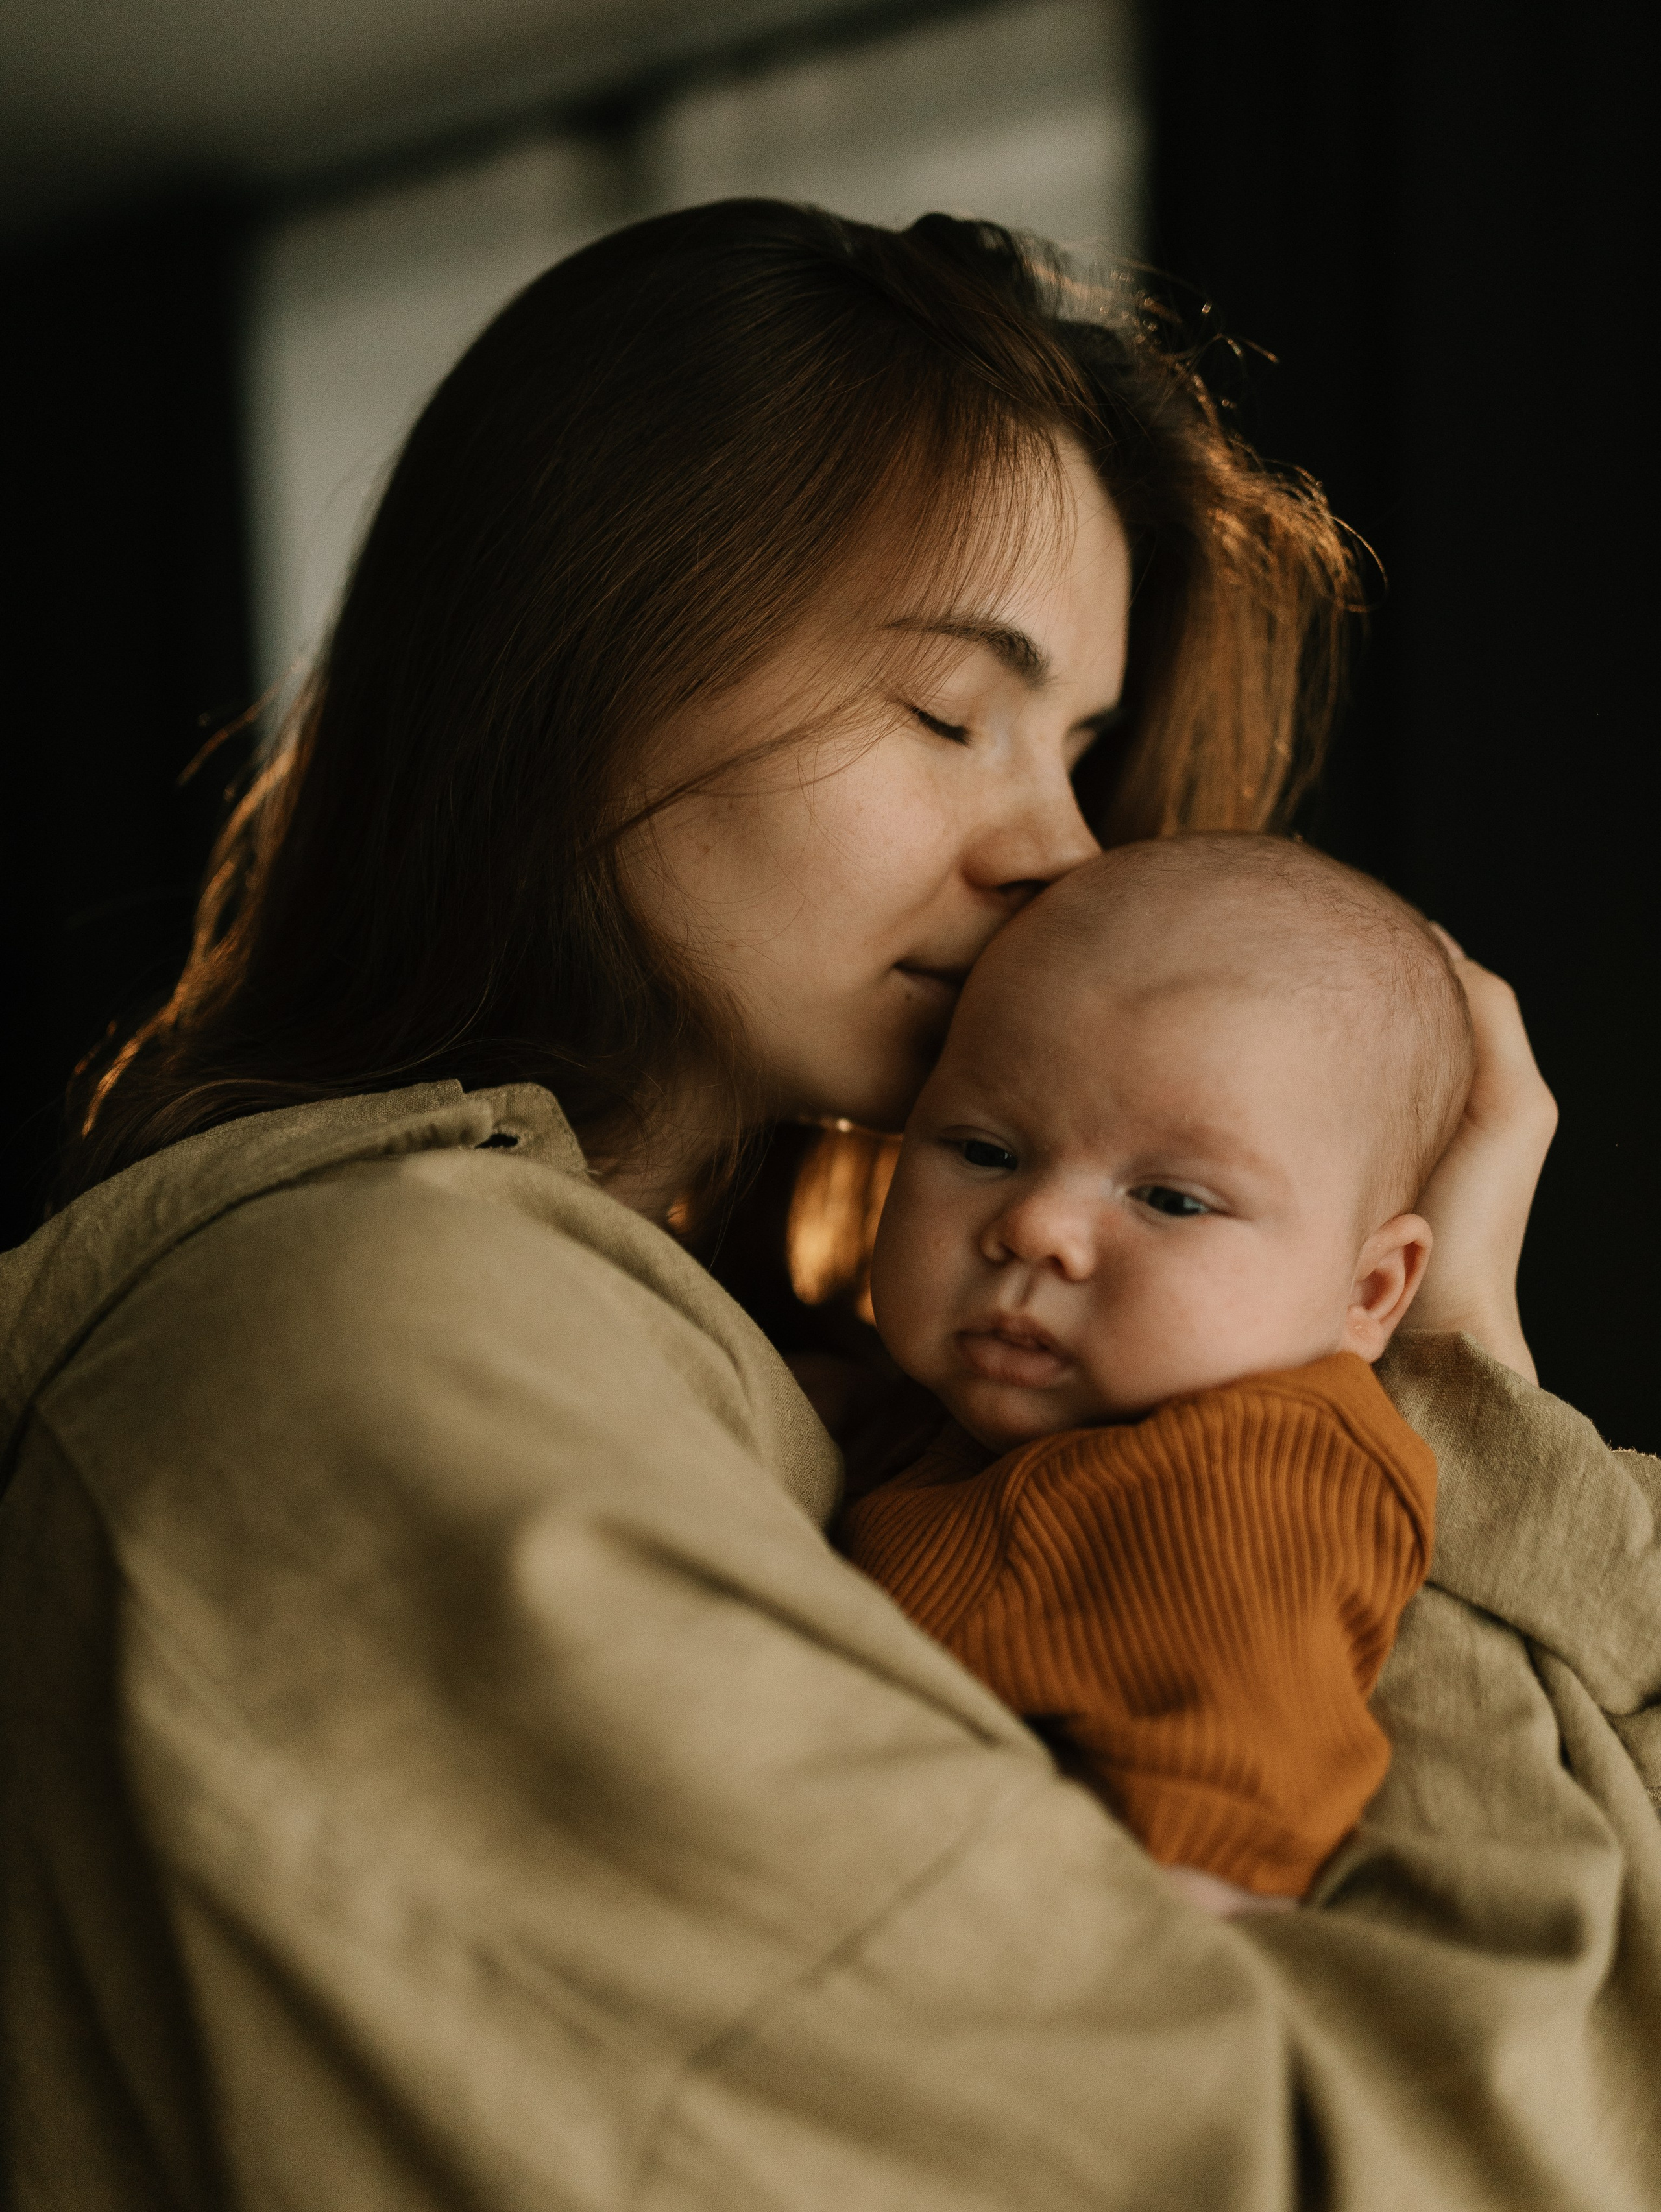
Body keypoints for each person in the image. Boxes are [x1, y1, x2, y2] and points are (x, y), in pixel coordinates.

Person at [1, 201, 1656, 2210]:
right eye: (953, 713)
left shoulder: (804, 1396)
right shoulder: (389, 1337)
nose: (1052, 851)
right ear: (575, 651)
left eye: (1083, 748)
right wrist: (1429, 1400)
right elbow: (1387, 2161)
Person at [843, 834, 1473, 1916]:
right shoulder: (989, 1413)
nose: (1036, 1228)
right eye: (984, 1150)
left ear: (1370, 1293)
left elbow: (1219, 1829)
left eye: (1173, 1201)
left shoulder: (1258, 1464)